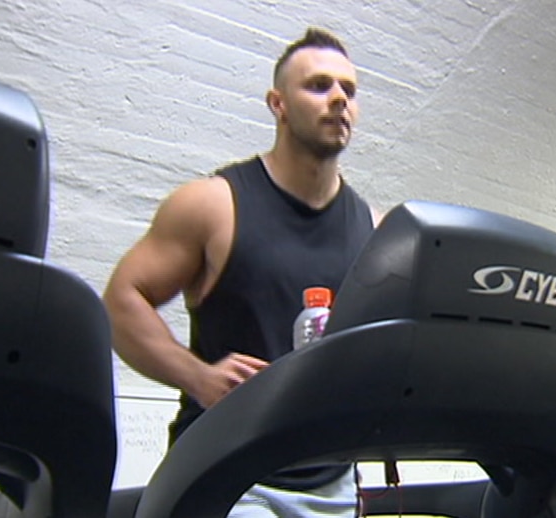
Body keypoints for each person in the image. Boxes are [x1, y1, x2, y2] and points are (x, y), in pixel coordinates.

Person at [103, 27, 379, 517]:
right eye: (319, 85)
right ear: (277, 103)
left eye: (349, 90)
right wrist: (199, 376)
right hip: (228, 475)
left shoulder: (375, 229)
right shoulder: (213, 204)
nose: (339, 98)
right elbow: (123, 299)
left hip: (331, 483)